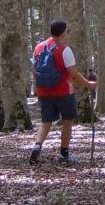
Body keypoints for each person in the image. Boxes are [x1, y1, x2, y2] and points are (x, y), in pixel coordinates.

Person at [31, 19, 97, 164]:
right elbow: (73, 73)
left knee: (46, 121)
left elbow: (36, 70)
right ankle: (64, 153)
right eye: (66, 30)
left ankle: (37, 146)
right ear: (62, 32)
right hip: (63, 91)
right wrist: (88, 84)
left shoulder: (38, 48)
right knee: (68, 120)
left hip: (44, 91)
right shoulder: (64, 49)